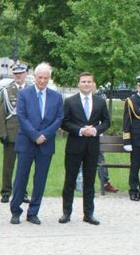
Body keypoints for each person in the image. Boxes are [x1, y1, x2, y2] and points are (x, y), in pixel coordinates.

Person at [9, 63, 64, 225]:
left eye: (45, 78)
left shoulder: (56, 96)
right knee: (21, 177)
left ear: (49, 79)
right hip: (26, 141)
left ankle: (33, 211)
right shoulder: (24, 94)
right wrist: (34, 135)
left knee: (40, 179)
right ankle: (15, 210)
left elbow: (59, 119)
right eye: (40, 77)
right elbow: (21, 116)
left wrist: (44, 135)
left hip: (45, 143)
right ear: (34, 77)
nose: (42, 81)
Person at [59, 72, 110, 225]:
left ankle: (88, 213)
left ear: (93, 84)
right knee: (70, 180)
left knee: (89, 181)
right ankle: (66, 213)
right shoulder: (70, 102)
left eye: (89, 82)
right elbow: (64, 122)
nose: (86, 84)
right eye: (84, 82)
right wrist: (81, 130)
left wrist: (95, 129)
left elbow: (106, 122)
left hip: (92, 147)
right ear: (79, 84)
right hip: (75, 145)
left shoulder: (100, 102)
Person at [0, 63, 29, 203]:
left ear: (25, 74)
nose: (18, 76)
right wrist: (2, 133)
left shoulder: (31, 90)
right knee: (8, 165)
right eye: (16, 74)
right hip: (11, 133)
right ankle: (6, 191)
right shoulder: (7, 90)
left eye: (21, 73)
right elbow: (1, 113)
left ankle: (23, 192)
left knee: (24, 165)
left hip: (27, 134)